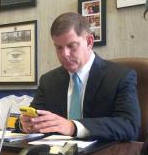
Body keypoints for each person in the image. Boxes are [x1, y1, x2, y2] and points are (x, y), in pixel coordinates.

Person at [18, 12, 140, 142]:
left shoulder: (120, 77)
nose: (65, 54)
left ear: (89, 42)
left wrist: (73, 127)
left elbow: (130, 126)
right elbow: (33, 116)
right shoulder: (48, 81)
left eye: (71, 46)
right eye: (59, 48)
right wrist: (25, 124)